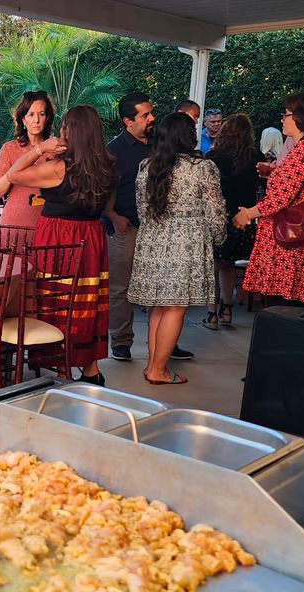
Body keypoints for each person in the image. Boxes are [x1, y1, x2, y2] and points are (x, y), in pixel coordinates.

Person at [0, 105, 116, 384]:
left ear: (71, 132)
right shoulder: (108, 166)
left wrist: (39, 150)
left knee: (55, 299)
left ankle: (57, 359)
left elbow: (13, 175)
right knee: (87, 300)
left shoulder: (59, 167)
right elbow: (109, 205)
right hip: (92, 236)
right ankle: (90, 368)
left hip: (58, 236)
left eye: (64, 126)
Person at [128, 114, 226, 385]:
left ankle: (152, 365)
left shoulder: (146, 166)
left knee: (159, 307)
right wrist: (218, 238)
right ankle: (158, 370)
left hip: (153, 238)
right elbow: (216, 211)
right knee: (175, 307)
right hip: (187, 240)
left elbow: (141, 210)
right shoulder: (202, 168)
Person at [105, 92, 193, 362]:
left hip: (159, 229)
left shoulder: (161, 144)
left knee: (164, 285)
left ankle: (164, 342)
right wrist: (112, 215)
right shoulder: (114, 150)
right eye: (145, 115)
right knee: (121, 288)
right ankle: (121, 341)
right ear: (127, 120)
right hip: (125, 227)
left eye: (151, 112)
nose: (152, 118)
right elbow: (102, 188)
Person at [234, 94, 304, 306]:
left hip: (290, 242)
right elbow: (303, 188)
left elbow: (279, 199)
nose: (282, 118)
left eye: (287, 114)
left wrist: (246, 214)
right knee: (297, 306)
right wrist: (274, 175)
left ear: (302, 118)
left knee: (284, 305)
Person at [203, 113, 261, 328]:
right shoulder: (256, 156)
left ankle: (212, 314)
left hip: (218, 216)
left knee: (213, 266)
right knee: (229, 265)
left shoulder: (214, 157)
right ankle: (227, 310)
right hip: (243, 217)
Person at [0, 91, 55, 231]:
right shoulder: (10, 148)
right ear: (23, 120)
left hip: (49, 226)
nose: (36, 120)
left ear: (47, 118)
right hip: (14, 225)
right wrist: (13, 174)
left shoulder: (56, 150)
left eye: (41, 114)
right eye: (31, 114)